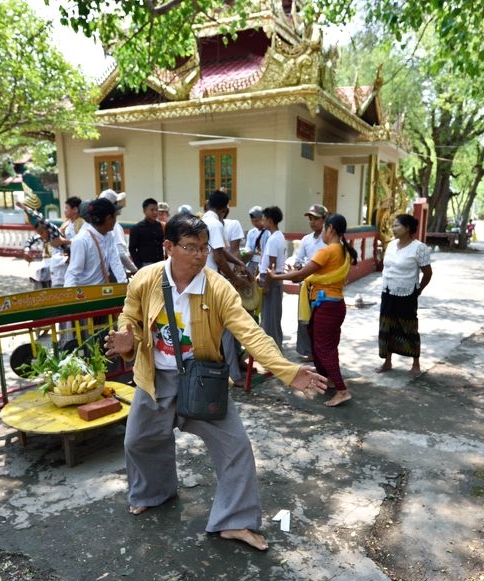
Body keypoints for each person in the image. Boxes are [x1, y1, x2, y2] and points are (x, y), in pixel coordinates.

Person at [102, 214, 328, 551]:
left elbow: (250, 333)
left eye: (204, 247)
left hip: (202, 379)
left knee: (236, 447)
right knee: (139, 441)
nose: (199, 255)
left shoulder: (217, 286)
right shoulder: (146, 279)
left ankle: (235, 521)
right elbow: (130, 315)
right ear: (169, 247)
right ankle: (152, 493)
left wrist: (287, 371)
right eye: (190, 247)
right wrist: (127, 337)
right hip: (155, 377)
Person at [270, 214, 357, 407]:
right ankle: (329, 379)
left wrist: (275, 277)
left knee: (324, 349)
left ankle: (342, 391)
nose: (323, 232)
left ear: (331, 229)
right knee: (325, 347)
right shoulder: (343, 250)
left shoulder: (328, 251)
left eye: (325, 228)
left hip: (326, 306)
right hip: (334, 304)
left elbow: (301, 275)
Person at [201, 191, 253, 384]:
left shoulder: (203, 221)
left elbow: (221, 251)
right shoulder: (215, 224)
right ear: (223, 209)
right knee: (228, 329)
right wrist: (235, 278)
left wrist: (240, 264)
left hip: (203, 281)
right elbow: (218, 257)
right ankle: (233, 374)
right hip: (213, 282)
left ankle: (221, 368)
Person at [376, 214, 433, 377]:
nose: (393, 228)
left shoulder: (419, 248)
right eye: (393, 225)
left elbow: (428, 273)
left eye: (397, 226)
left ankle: (415, 364)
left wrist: (419, 289)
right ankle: (387, 361)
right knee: (386, 326)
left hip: (407, 294)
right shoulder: (391, 245)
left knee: (409, 327)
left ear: (407, 228)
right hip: (388, 292)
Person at [286, 205, 329, 360]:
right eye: (310, 219)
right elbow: (298, 259)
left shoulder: (329, 240)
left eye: (316, 218)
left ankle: (321, 351)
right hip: (307, 284)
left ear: (324, 219)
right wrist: (296, 265)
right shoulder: (306, 239)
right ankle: (309, 351)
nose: (312, 222)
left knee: (321, 320)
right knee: (306, 318)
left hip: (323, 285)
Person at [64, 198, 127, 287]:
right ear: (109, 218)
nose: (116, 221)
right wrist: (69, 293)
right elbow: (72, 273)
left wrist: (124, 285)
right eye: (115, 217)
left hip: (103, 289)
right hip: (85, 291)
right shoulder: (81, 240)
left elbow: (115, 261)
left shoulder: (109, 235)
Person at [257, 206, 287, 348]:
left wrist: (267, 285)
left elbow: (272, 265)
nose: (262, 222)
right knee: (270, 317)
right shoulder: (277, 236)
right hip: (272, 278)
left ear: (270, 220)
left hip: (271, 280)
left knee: (270, 319)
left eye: (263, 219)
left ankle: (274, 351)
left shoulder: (274, 239)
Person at [98, 189, 138, 276]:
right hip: (116, 271)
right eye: (116, 203)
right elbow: (121, 254)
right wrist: (135, 270)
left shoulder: (102, 226)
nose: (119, 205)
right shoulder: (114, 227)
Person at [22, 219, 69, 288]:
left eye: (42, 233)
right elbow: (30, 240)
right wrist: (26, 251)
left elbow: (52, 229)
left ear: (49, 230)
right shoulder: (42, 238)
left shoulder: (56, 237)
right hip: (47, 267)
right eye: (39, 234)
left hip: (58, 269)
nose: (41, 236)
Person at [129, 198, 165, 268]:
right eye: (152, 210)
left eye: (156, 210)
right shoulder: (137, 228)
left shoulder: (160, 226)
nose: (155, 212)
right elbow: (132, 248)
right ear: (144, 211)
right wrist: (139, 265)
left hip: (160, 263)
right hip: (145, 264)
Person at [244, 206, 267, 274]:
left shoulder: (268, 233)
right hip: (252, 262)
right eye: (252, 221)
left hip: (263, 263)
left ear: (262, 219)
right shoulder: (251, 232)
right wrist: (246, 251)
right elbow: (248, 247)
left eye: (256, 221)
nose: (254, 223)